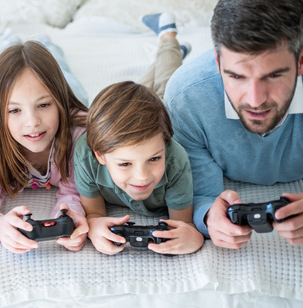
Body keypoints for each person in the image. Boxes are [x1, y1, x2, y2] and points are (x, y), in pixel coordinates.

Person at [163, 0, 303, 249]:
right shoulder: (186, 99)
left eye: (273, 75)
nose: (255, 100)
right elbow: (199, 193)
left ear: (301, 62)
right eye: (237, 76)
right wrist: (209, 217)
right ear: (218, 63)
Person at [0, 40, 90, 254]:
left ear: (59, 102)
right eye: (14, 110)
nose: (32, 122)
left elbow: (72, 192)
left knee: (64, 74)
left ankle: (49, 45)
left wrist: (70, 218)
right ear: (1, 113)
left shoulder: (78, 133)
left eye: (44, 105)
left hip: (71, 107)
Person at [74, 81, 204, 255]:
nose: (142, 177)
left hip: (164, 101)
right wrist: (93, 226)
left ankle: (170, 52)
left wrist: (196, 237)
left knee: (166, 82)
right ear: (100, 156)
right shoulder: (85, 156)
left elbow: (183, 225)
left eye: (154, 158)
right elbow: (94, 213)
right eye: (125, 164)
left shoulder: (176, 162)